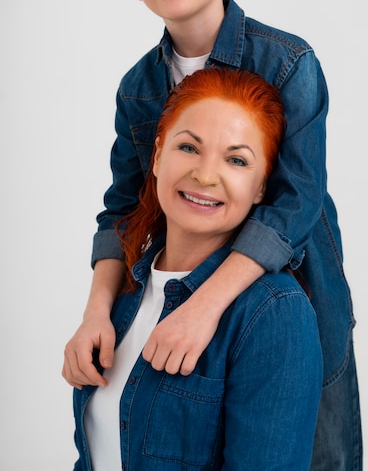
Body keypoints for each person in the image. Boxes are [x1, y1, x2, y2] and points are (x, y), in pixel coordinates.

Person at [63, 0, 362, 470]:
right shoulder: (138, 87)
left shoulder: (289, 62)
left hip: (291, 291)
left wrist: (203, 307)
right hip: (175, 283)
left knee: (311, 449)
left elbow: (294, 207)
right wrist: (97, 309)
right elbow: (123, 207)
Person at [72, 67, 323, 470]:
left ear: (261, 187)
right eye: (188, 148)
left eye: (237, 160)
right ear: (157, 156)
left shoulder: (274, 314)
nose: (205, 175)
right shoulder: (123, 292)